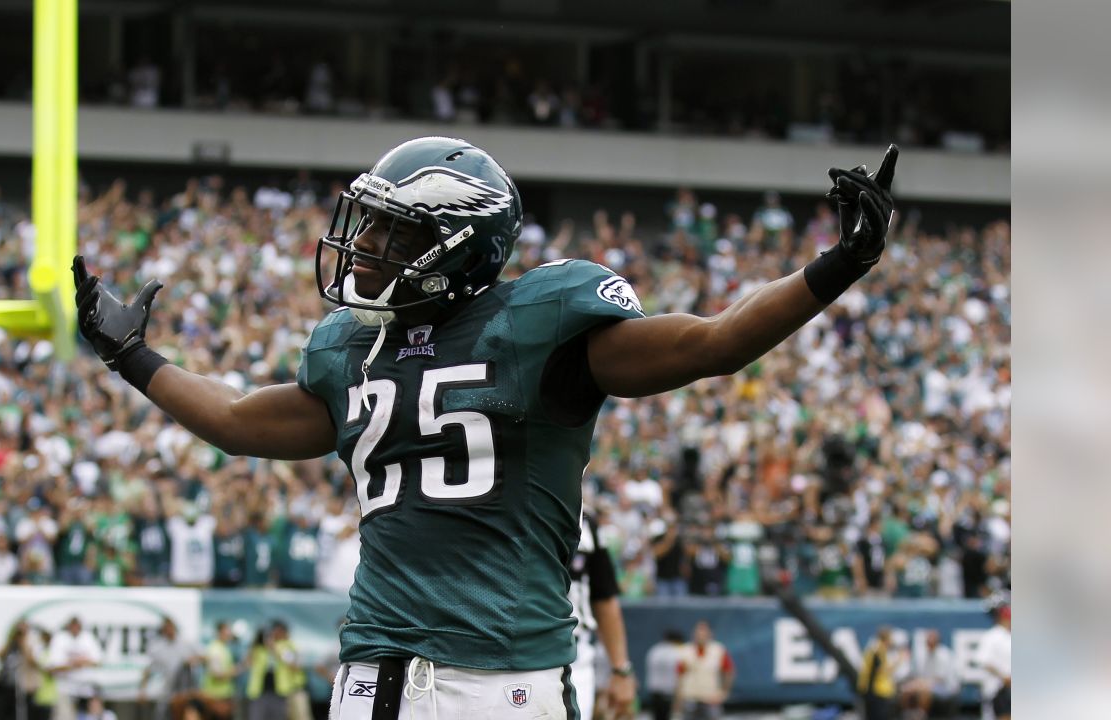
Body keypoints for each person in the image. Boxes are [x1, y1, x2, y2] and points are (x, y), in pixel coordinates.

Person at [73, 136, 899, 720]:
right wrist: (133, 356)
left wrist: (836, 264)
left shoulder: (536, 322)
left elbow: (713, 341)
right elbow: (238, 420)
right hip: (483, 675)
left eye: (391, 232)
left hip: (438, 679)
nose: (360, 249)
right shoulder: (355, 346)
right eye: (367, 225)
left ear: (457, 247)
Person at [568, 512, 636, 720]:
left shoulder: (585, 521)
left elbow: (604, 597)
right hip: (509, 648)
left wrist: (621, 669)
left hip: (573, 654)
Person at [138, 618, 203, 720]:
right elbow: (148, 670)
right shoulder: (158, 648)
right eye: (166, 629)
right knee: (162, 715)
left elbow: (204, 657)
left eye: (171, 628)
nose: (169, 631)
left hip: (185, 693)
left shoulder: (186, 644)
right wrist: (143, 690)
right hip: (167, 692)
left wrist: (193, 659)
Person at [673, 621, 735, 720]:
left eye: (704, 633)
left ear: (710, 634)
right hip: (690, 698)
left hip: (710, 699)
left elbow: (729, 671)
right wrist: (677, 706)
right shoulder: (685, 651)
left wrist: (724, 692)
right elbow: (679, 679)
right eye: (698, 633)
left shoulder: (718, 650)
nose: (700, 636)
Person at [47, 616, 102, 720]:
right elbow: (52, 667)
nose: (75, 629)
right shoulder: (60, 638)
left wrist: (82, 661)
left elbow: (98, 661)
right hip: (65, 688)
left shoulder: (87, 638)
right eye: (73, 626)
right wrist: (72, 664)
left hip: (86, 689)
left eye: (77, 626)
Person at [897, 630, 960, 720]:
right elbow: (916, 675)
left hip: (946, 687)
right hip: (924, 683)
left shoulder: (944, 655)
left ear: (937, 642)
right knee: (906, 689)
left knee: (924, 690)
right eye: (928, 641)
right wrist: (914, 684)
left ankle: (921, 716)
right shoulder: (921, 654)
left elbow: (939, 679)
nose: (929, 644)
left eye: (932, 641)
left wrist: (921, 684)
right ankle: (907, 715)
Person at [244, 620, 302, 720]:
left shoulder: (285, 646)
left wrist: (274, 649)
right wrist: (256, 641)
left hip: (279, 691)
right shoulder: (259, 649)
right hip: (259, 691)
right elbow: (248, 662)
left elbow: (292, 664)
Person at [975, 603, 1011, 720]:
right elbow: (983, 661)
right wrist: (1003, 677)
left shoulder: (1010, 636)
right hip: (996, 687)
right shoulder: (992, 635)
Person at [643, 629, 687, 720]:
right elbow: (680, 674)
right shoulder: (677, 652)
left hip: (654, 691)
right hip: (669, 692)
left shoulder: (654, 650)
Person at [857, 625, 898, 720]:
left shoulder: (875, 648)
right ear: (887, 638)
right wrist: (899, 661)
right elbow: (881, 671)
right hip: (876, 691)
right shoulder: (878, 650)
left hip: (872, 690)